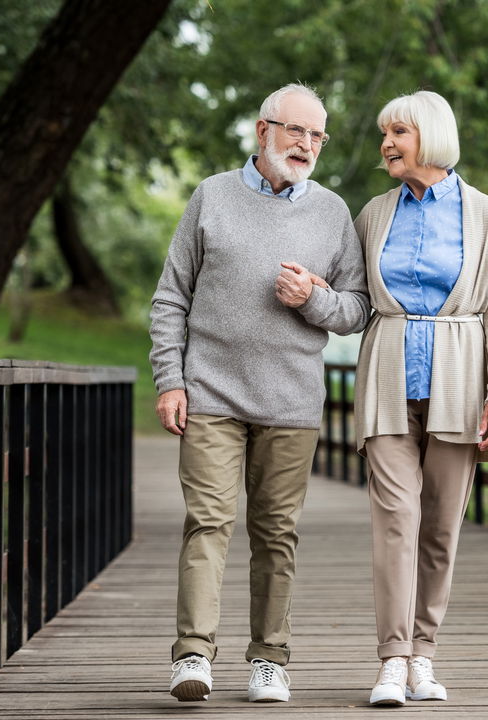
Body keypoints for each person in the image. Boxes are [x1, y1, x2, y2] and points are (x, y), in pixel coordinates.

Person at [149, 83, 370, 704]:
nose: (306, 145)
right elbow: (171, 298)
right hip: (211, 395)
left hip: (292, 403)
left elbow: (356, 309)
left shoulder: (331, 212)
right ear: (262, 131)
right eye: (296, 131)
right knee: (209, 522)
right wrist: (171, 379)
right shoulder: (210, 198)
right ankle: (193, 654)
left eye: (317, 136)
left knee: (275, 533)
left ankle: (269, 658)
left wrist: (314, 300)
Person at [352, 90, 488, 706]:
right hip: (387, 383)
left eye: (399, 132)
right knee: (396, 521)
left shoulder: (484, 214)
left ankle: (425, 655)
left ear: (431, 136)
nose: (387, 143)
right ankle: (392, 659)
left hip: (460, 385)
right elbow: (353, 299)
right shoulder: (372, 213)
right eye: (384, 133)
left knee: (441, 529)